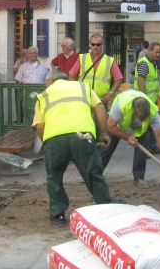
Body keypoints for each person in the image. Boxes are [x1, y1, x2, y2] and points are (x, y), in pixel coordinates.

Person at [33, 70, 114, 226]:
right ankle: (106, 206)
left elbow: (39, 126)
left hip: (55, 138)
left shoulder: (43, 95)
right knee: (92, 172)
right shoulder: (83, 87)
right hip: (82, 135)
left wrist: (48, 143)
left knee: (54, 176)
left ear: (50, 81)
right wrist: (104, 133)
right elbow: (100, 108)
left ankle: (58, 215)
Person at [101, 89, 160, 187]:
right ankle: (95, 174)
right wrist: (127, 137)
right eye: (141, 117)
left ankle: (139, 178)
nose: (143, 120)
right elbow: (110, 126)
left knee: (143, 142)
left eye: (145, 118)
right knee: (108, 145)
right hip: (118, 124)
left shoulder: (153, 113)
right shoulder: (121, 106)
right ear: (134, 111)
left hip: (139, 128)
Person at [69, 33, 123, 105]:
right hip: (84, 99)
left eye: (98, 44)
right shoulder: (82, 58)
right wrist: (76, 91)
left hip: (101, 100)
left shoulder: (109, 60)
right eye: (93, 44)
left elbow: (119, 79)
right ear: (90, 45)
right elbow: (71, 75)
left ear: (103, 45)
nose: (95, 47)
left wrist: (110, 94)